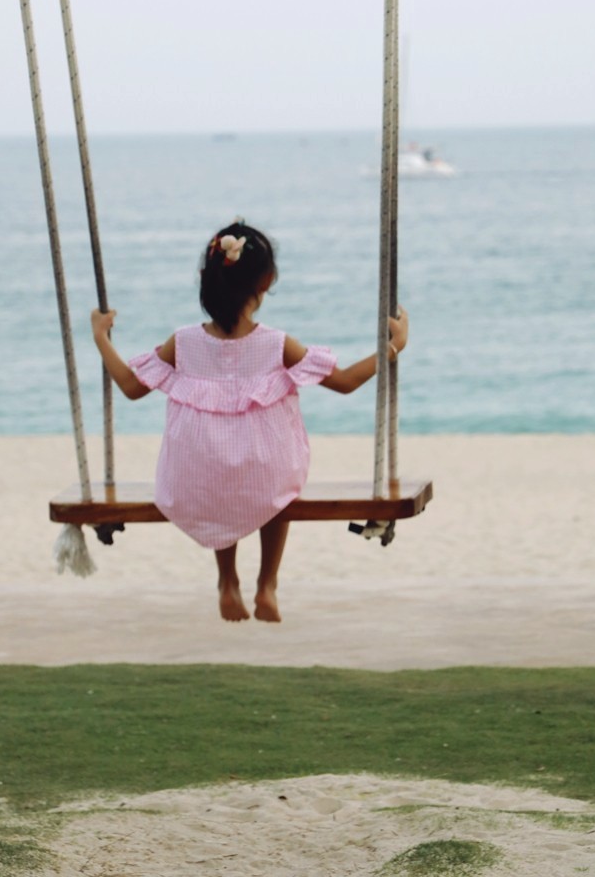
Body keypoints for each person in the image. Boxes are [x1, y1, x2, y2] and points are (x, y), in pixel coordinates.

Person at [90, 221, 408, 625]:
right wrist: (394, 346)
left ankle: (226, 582)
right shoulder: (275, 344)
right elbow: (345, 382)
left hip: (197, 478)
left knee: (221, 482)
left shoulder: (184, 342)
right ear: (267, 280)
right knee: (274, 488)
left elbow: (131, 387)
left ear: (207, 279)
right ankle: (267, 585)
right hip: (267, 472)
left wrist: (101, 338)